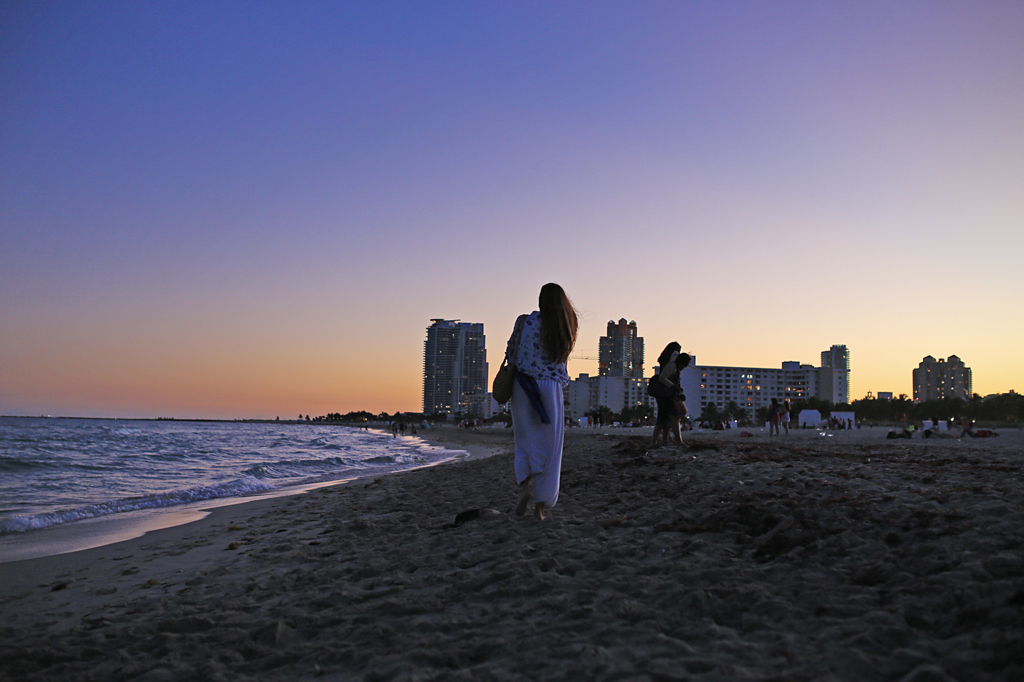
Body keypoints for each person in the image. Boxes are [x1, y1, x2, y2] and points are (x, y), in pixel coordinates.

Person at [507, 283, 578, 521]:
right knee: (550, 448)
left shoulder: (524, 321)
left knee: (525, 441)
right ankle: (540, 509)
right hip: (550, 389)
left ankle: (525, 488)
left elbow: (510, 352)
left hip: (522, 387)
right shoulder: (565, 326)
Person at [649, 344, 690, 447]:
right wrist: (673, 386)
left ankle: (657, 441)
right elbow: (662, 378)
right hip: (666, 395)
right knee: (674, 418)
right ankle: (678, 442)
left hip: (668, 395)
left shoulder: (674, 367)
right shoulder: (672, 366)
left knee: (663, 419)